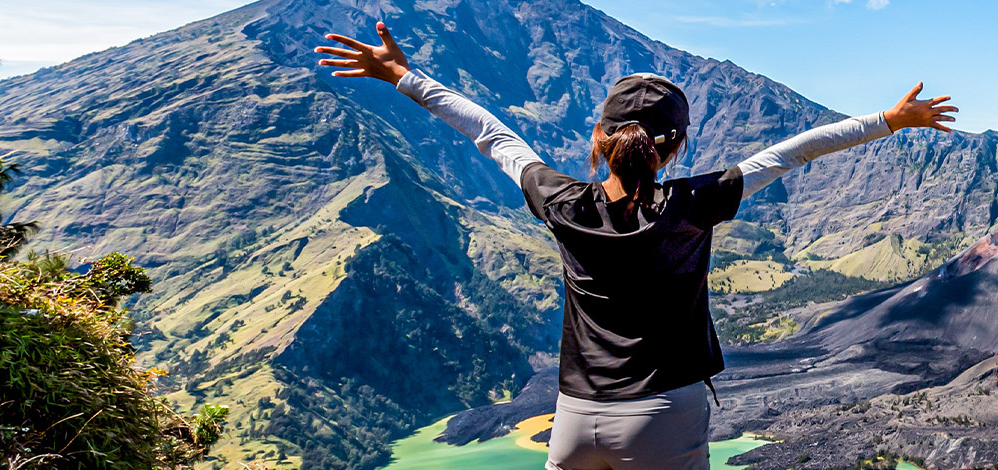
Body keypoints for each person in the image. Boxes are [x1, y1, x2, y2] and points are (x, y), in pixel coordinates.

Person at [315, 22, 956, 470]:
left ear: (599, 136)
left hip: (572, 419)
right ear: (674, 146)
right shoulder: (691, 205)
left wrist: (402, 75)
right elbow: (791, 153)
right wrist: (889, 121)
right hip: (662, 419)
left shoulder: (563, 203)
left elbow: (492, 135)